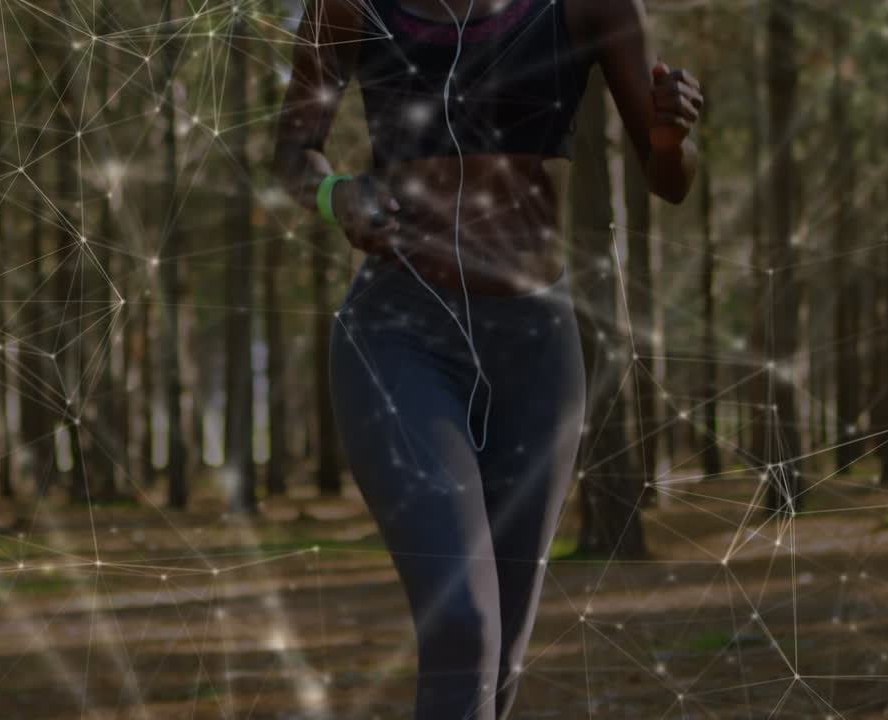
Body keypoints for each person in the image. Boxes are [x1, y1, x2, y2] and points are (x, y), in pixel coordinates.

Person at [271, 0, 701, 716]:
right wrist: (333, 192)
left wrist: (667, 138)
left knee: (498, 661)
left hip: (536, 351)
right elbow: (292, 149)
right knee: (464, 625)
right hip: (398, 334)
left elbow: (672, 178)